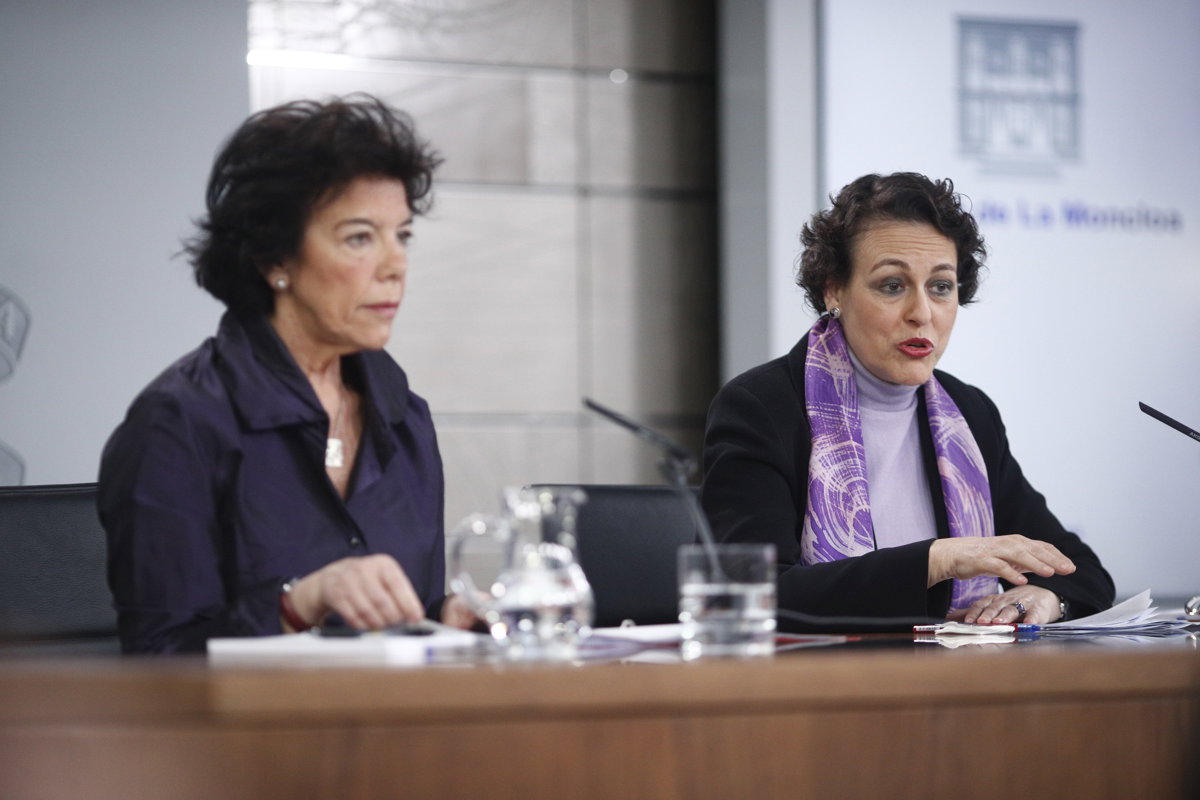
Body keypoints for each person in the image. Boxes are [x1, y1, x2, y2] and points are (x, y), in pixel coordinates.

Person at [99, 95, 475, 653]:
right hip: (251, 717)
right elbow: (159, 661)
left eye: (402, 235)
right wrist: (294, 607)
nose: (395, 265)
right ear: (275, 258)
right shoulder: (178, 422)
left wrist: (448, 617)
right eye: (359, 237)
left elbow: (402, 624)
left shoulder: (406, 420)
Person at [701, 172, 1114, 626]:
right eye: (892, 285)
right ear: (834, 290)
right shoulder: (762, 407)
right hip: (817, 670)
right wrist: (936, 560)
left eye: (941, 287)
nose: (922, 313)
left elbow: (1080, 571)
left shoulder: (969, 413)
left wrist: (1047, 598)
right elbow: (748, 594)